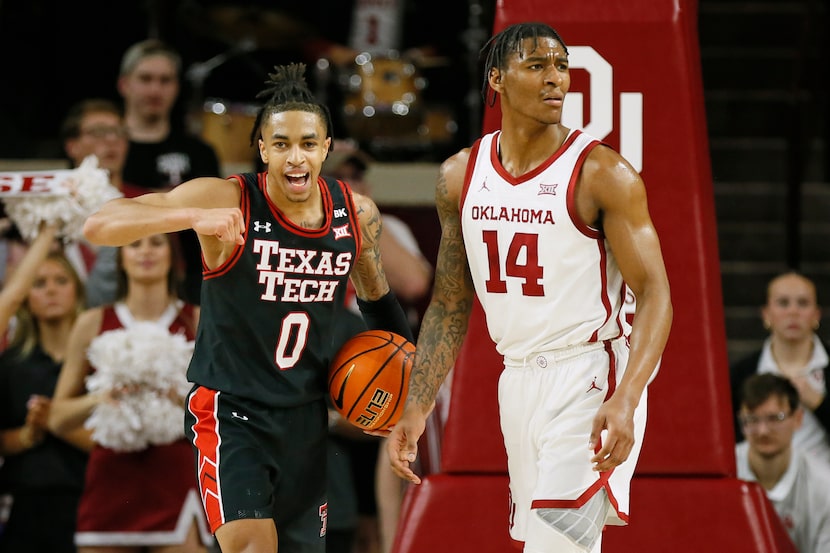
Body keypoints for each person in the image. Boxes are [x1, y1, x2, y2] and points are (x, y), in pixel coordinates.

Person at [81, 62, 414, 552]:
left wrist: (408, 401)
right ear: (261, 149)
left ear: (326, 147)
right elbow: (100, 223)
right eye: (280, 144)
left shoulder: (355, 212)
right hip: (232, 408)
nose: (295, 157)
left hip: (305, 415)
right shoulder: (229, 199)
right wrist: (192, 217)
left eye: (307, 143)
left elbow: (380, 306)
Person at [384, 22, 673, 553]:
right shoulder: (459, 175)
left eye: (561, 66)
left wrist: (628, 396)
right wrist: (418, 404)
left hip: (590, 373)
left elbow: (656, 294)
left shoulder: (603, 172)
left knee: (556, 547)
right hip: (516, 379)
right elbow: (449, 301)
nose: (555, 79)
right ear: (496, 78)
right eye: (536, 65)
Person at [48, 232, 212, 552]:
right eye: (134, 245)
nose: (145, 252)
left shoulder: (198, 319)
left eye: (156, 243)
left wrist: (179, 397)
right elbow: (57, 419)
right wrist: (101, 397)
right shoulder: (92, 322)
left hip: (177, 475)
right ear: (121, 259)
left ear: (173, 256)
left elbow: (223, 410)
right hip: (111, 477)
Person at [323, 145, 433, 553]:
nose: (351, 184)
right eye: (340, 177)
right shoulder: (292, 225)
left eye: (357, 176)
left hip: (376, 359)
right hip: (319, 347)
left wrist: (356, 216)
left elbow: (417, 285)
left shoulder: (387, 226)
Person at [117, 38, 222, 305]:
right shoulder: (110, 149)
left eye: (165, 80)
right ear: (124, 84)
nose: (155, 89)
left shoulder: (199, 153)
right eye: (146, 78)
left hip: (192, 284)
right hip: (115, 278)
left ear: (176, 88)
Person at [0, 242, 90, 553]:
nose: (51, 290)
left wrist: (56, 420)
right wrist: (28, 435)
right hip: (26, 506)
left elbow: (117, 444)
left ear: (77, 290)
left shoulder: (101, 360)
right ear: (24, 300)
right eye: (39, 283)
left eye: (61, 281)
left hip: (90, 498)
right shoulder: (10, 365)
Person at [730, 271, 830, 466]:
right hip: (760, 480)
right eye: (783, 303)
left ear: (816, 314)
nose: (793, 312)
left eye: (802, 303)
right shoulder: (743, 372)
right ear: (766, 314)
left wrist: (819, 403)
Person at [60, 98, 148, 308]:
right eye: (98, 132)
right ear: (72, 146)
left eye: (119, 132)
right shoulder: (48, 208)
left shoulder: (146, 202)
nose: (111, 140)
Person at [735, 372, 830, 552]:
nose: (763, 431)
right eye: (752, 419)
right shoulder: (722, 476)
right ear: (741, 420)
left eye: (774, 418)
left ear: (798, 419)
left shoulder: (824, 487)